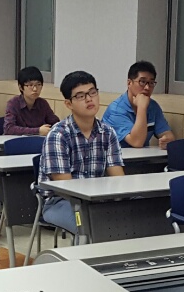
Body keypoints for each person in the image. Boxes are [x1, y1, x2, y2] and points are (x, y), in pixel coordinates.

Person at [37, 71, 125, 239]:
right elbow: (66, 188)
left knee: (133, 217)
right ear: (68, 104)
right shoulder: (58, 135)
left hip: (97, 200)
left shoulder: (108, 132)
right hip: (61, 202)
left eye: (92, 92)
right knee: (91, 224)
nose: (89, 99)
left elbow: (118, 180)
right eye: (80, 96)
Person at [102, 61, 174, 149]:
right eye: (142, 82)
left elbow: (167, 134)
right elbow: (137, 142)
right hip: (115, 157)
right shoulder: (116, 110)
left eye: (151, 83)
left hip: (142, 156)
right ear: (129, 83)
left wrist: (167, 140)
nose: (147, 87)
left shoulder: (153, 106)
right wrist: (142, 108)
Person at [3, 66, 59, 136]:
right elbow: (8, 129)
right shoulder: (13, 103)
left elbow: (55, 123)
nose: (35, 89)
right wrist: (37, 131)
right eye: (30, 85)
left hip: (38, 141)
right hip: (17, 141)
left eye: (38, 84)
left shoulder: (42, 104)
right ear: (21, 87)